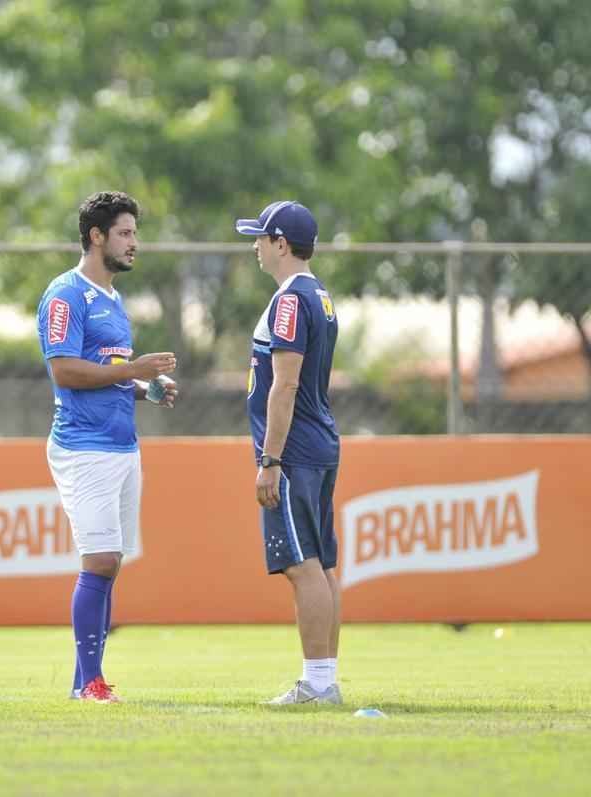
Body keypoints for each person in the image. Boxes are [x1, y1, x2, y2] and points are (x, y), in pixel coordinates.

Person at [37, 190, 179, 704]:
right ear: (96, 237)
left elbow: (109, 373)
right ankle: (91, 685)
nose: (134, 243)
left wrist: (146, 388)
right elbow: (65, 370)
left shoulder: (114, 301)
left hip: (122, 446)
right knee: (98, 562)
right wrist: (135, 369)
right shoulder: (65, 295)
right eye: (124, 233)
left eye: (134, 233)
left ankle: (84, 681)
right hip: (84, 446)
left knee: (110, 563)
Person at [236, 200, 342, 705]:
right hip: (318, 442)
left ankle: (319, 683)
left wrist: (269, 461)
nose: (255, 246)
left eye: (260, 237)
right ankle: (324, 679)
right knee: (319, 565)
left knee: (302, 566)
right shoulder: (318, 295)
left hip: (295, 451)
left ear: (281, 243)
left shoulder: (289, 300)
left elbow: (285, 384)